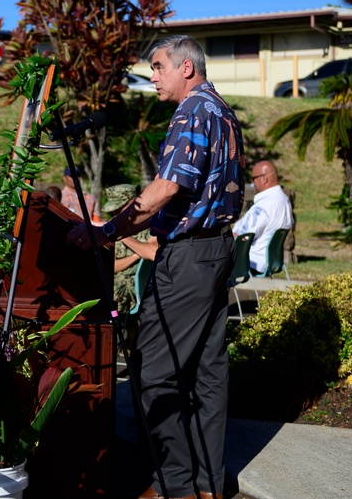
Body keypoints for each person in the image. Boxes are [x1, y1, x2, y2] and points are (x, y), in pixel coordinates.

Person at [69, 35, 244, 499]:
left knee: (151, 367)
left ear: (187, 67)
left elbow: (167, 188)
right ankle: (208, 485)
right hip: (215, 249)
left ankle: (177, 484)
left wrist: (106, 231)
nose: (153, 76)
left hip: (188, 256)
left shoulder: (191, 110)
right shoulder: (222, 110)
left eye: (158, 66)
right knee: (207, 375)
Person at [232, 160, 294, 275]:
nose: (252, 182)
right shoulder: (284, 200)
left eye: (253, 178)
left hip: (250, 262)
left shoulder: (265, 206)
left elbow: (240, 236)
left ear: (264, 179)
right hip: (270, 261)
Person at [101, 184, 151, 317]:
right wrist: (136, 255)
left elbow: (152, 253)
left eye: (119, 209)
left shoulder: (148, 227)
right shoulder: (111, 227)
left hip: (134, 283)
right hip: (112, 278)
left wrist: (123, 236)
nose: (115, 214)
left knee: (111, 291)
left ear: (133, 203)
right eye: (113, 211)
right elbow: (110, 266)